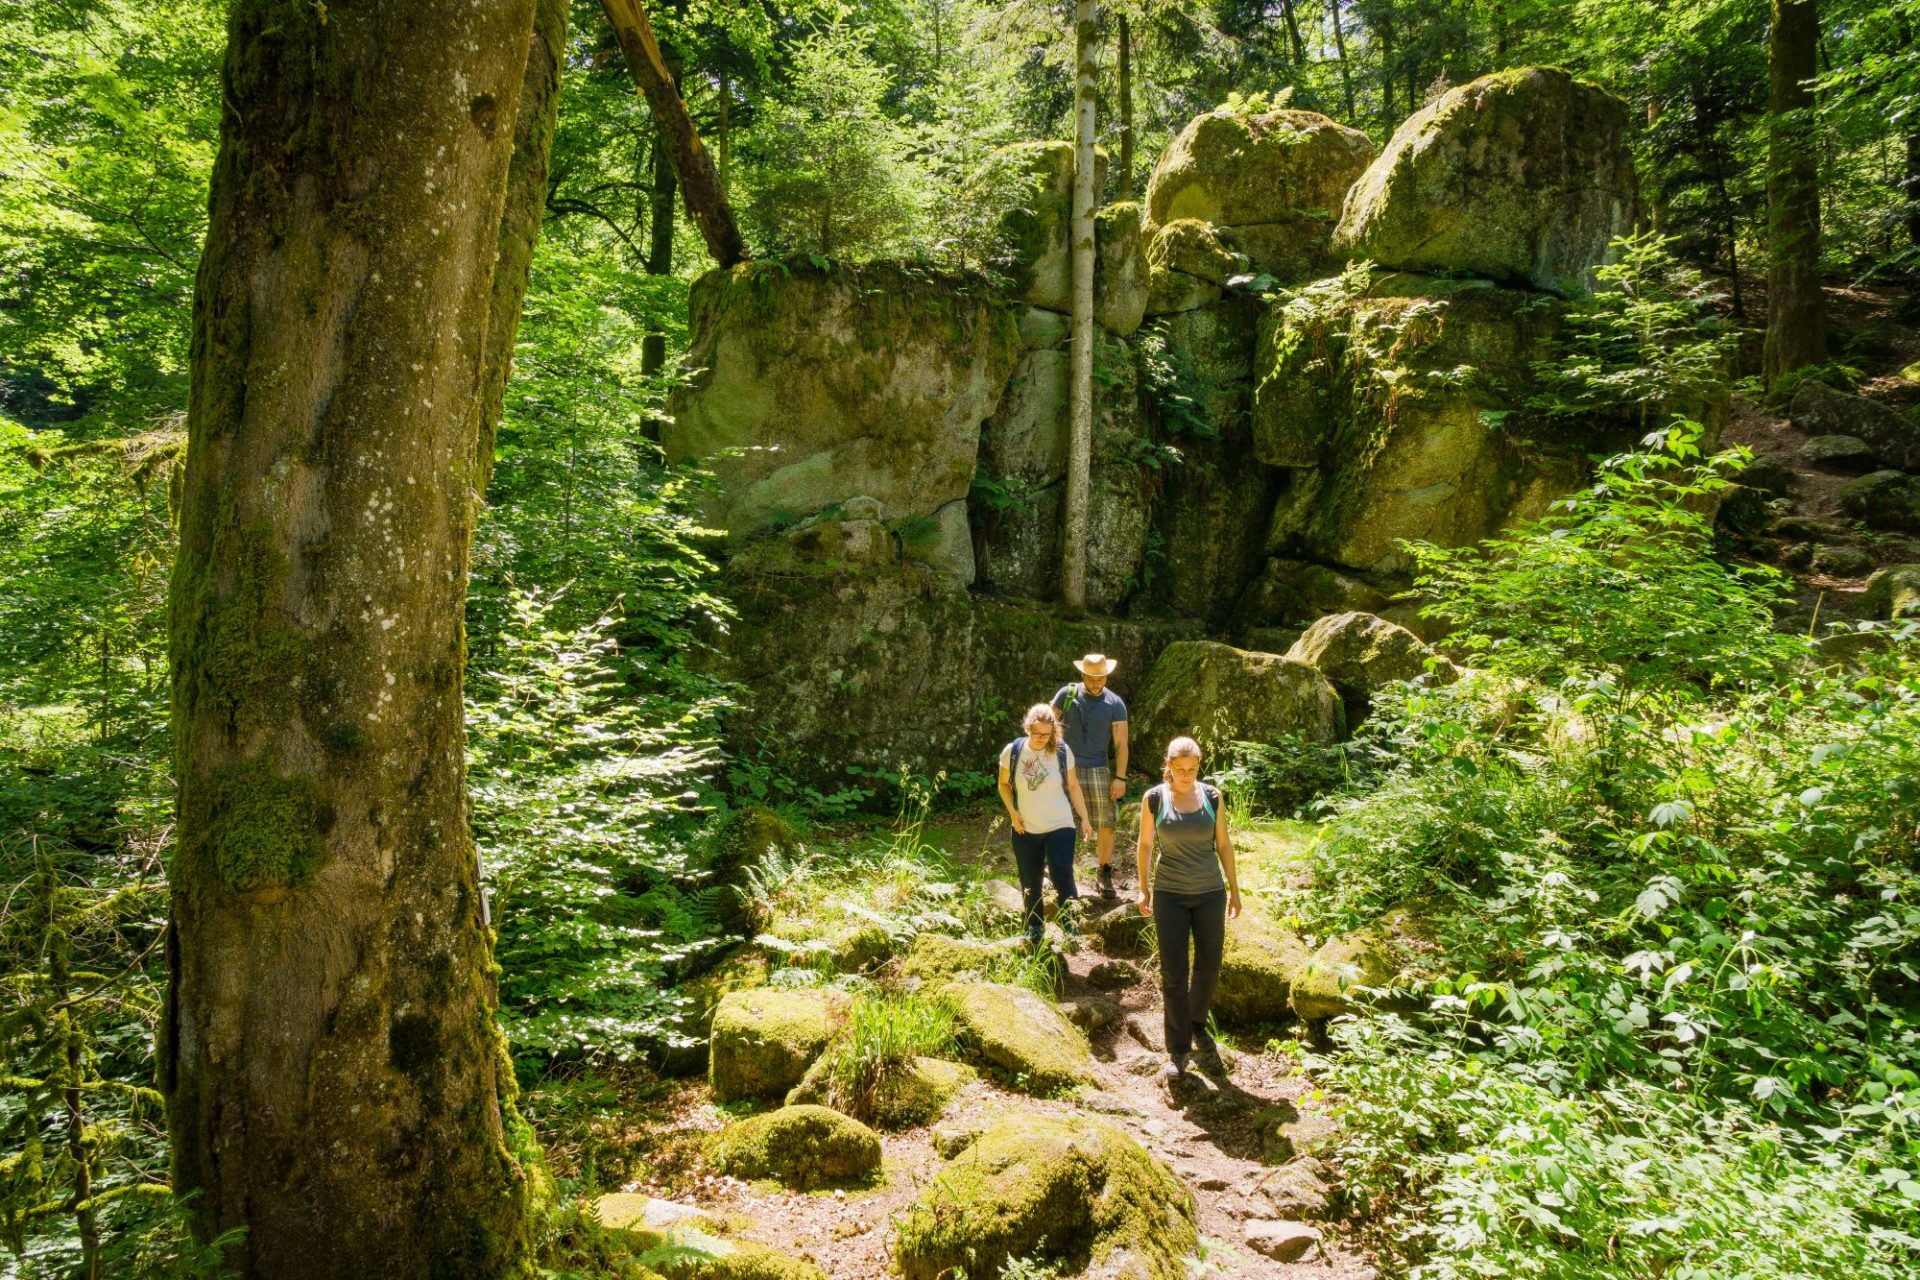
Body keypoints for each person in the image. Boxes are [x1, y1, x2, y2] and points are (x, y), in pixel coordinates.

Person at [1135, 735, 1241, 1079]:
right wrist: (1143, 889)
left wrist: (1235, 890)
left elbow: (1223, 844)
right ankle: (1177, 1049)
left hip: (1210, 892)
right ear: (1169, 766)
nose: (1185, 775)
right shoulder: (1154, 799)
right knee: (1174, 972)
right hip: (1170, 894)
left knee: (1209, 964)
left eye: (1192, 769)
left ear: (1198, 766)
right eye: (1179, 769)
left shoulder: (1212, 796)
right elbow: (1145, 845)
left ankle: (1196, 1023)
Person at [997, 703, 1094, 946]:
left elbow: (1073, 786)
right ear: (1027, 727)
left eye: (1047, 734)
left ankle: (1071, 926)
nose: (1042, 738)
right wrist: (1013, 813)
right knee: (1030, 881)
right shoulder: (1013, 751)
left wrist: (1084, 818)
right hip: (1025, 828)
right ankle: (1035, 928)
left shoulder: (1061, 750)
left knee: (1062, 873)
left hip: (1060, 824)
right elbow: (1003, 785)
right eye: (1037, 733)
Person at [1052, 654, 1129, 900]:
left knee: (1107, 822)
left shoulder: (1115, 703)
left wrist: (1120, 777)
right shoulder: (1067, 695)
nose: (1096, 683)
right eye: (1091, 678)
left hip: (1098, 768)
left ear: (1106, 676)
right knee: (1058, 821)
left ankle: (1104, 872)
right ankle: (1056, 872)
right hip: (1065, 765)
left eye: (1100, 678)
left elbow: (1121, 743)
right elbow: (1047, 725)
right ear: (1083, 675)